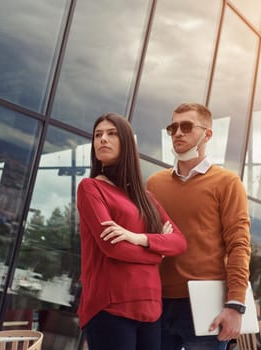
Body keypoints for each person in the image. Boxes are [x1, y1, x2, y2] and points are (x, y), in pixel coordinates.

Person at [76, 113, 187, 350]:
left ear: (126, 142)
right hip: (110, 306)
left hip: (150, 307)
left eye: (111, 133)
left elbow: (179, 241)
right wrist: (158, 252)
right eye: (98, 135)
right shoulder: (91, 188)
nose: (102, 139)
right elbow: (113, 247)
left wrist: (139, 238)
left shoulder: (146, 199)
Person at [146, 102, 251, 350]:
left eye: (186, 126)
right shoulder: (154, 183)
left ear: (207, 134)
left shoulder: (227, 182)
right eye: (173, 128)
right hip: (155, 301)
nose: (178, 133)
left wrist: (236, 303)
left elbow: (239, 244)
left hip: (205, 306)